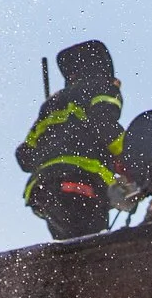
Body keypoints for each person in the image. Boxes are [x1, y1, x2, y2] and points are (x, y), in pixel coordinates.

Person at [17, 40, 125, 240]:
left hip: (45, 190)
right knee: (93, 251)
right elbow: (103, 123)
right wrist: (130, 157)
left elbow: (24, 156)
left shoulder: (51, 104)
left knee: (71, 251)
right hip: (86, 182)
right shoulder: (103, 87)